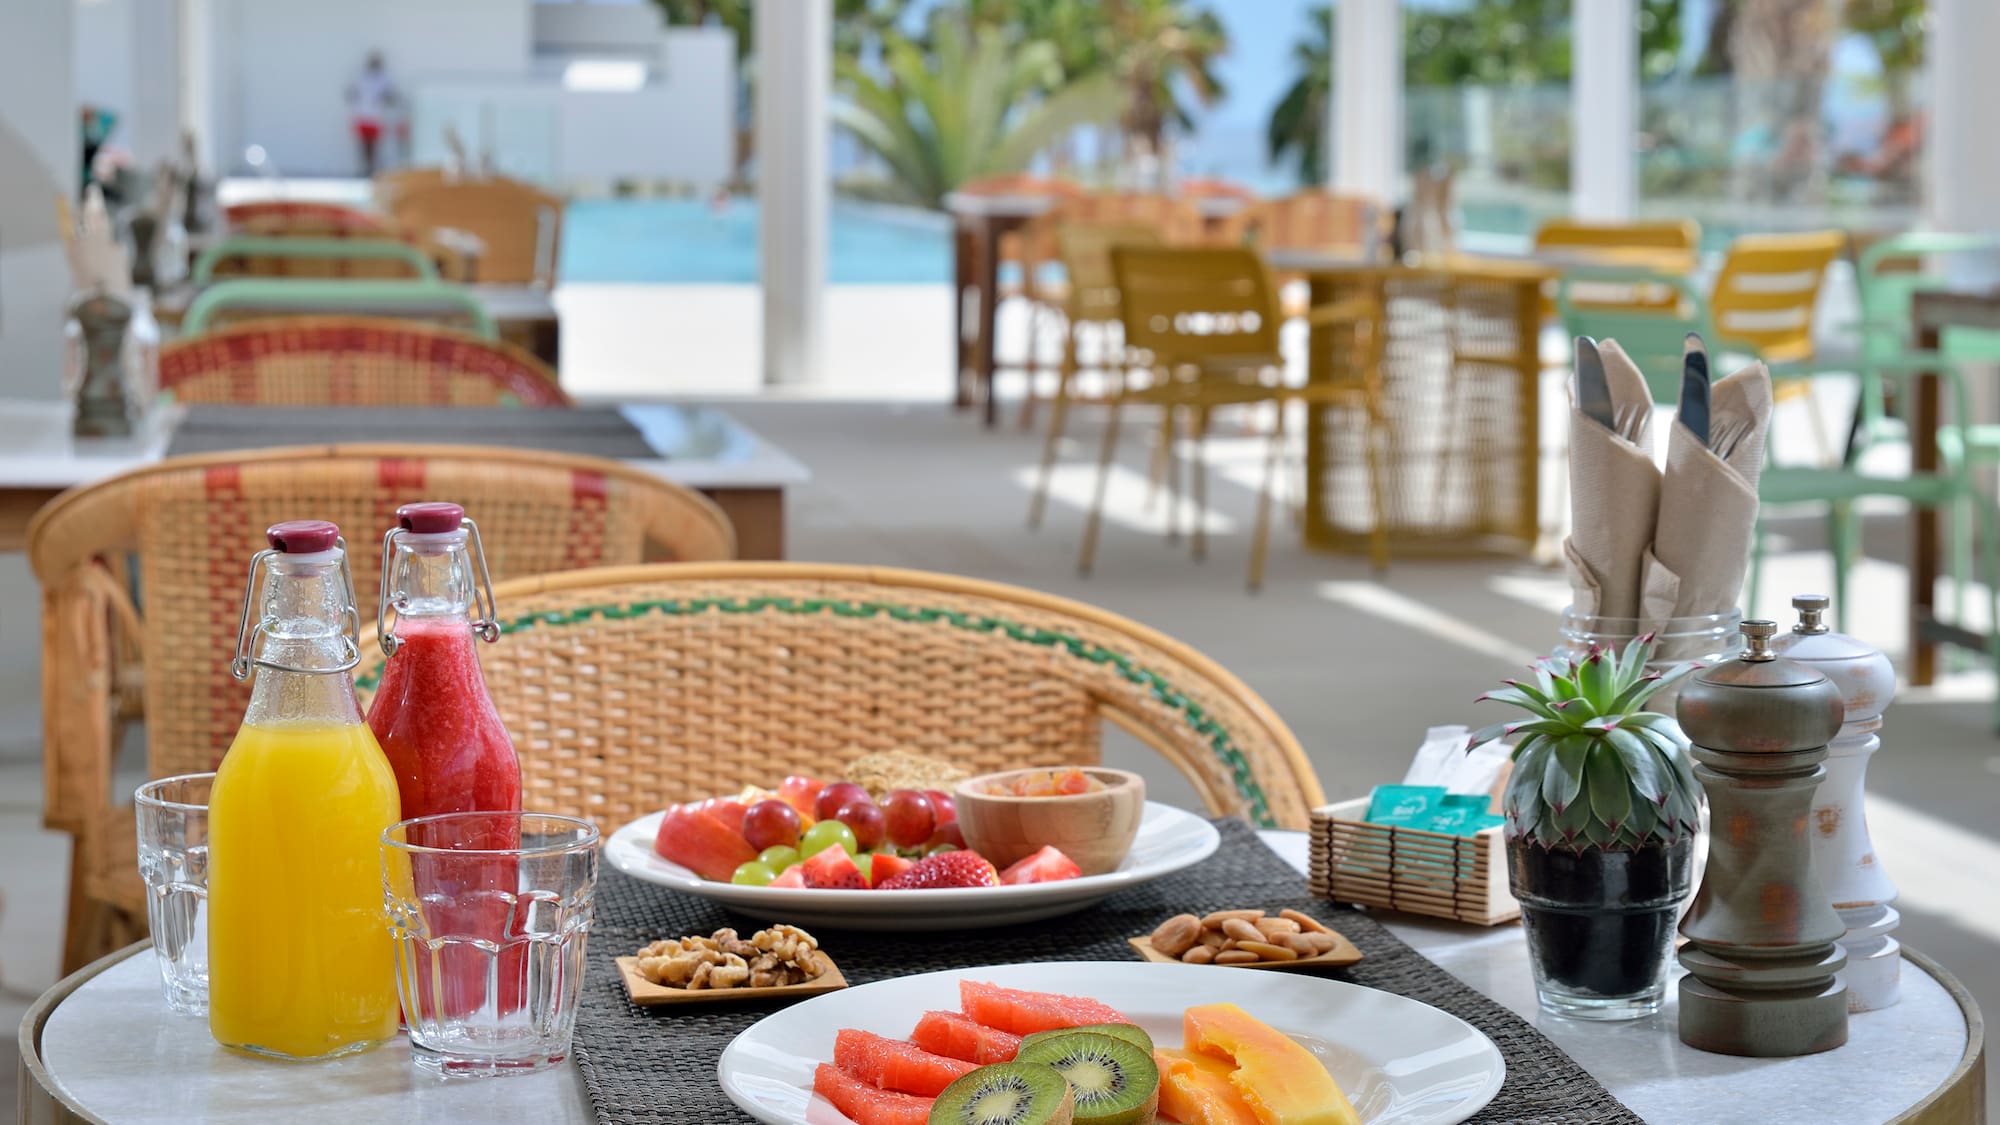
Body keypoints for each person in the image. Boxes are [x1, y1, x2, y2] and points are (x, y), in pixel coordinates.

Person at [346, 52, 397, 176]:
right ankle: (365, 169)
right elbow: (353, 91)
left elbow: (390, 96)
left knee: (374, 145)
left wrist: (386, 98)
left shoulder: (384, 78)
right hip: (363, 116)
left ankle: (373, 169)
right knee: (363, 145)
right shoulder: (361, 76)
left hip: (376, 117)